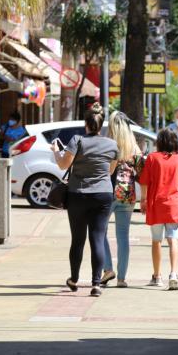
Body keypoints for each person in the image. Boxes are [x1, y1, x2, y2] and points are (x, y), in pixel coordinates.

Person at [52, 104, 118, 297]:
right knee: (97, 238)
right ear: (101, 124)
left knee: (78, 240)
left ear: (86, 124)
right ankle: (96, 284)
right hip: (103, 195)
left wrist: (56, 151)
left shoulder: (77, 140)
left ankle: (73, 279)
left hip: (78, 194)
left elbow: (63, 163)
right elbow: (110, 171)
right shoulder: (112, 145)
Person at [100, 112, 145, 288]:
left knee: (99, 232)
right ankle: (122, 279)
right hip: (128, 194)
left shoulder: (108, 144)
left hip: (109, 192)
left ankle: (107, 269)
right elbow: (141, 171)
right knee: (123, 236)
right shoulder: (134, 147)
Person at [139, 129, 178, 290]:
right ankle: (173, 273)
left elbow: (144, 181)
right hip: (173, 203)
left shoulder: (152, 158)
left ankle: (157, 276)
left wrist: (143, 200)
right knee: (173, 239)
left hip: (156, 204)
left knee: (156, 240)